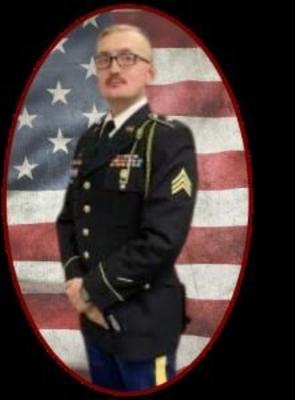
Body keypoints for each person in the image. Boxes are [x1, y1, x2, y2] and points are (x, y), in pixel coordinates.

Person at [56, 24, 198, 391]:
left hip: (143, 322)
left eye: (127, 58)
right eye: (104, 59)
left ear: (150, 71)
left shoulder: (167, 139)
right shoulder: (90, 140)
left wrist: (90, 292)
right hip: (95, 322)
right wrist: (77, 286)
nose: (114, 68)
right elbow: (69, 220)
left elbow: (162, 240)